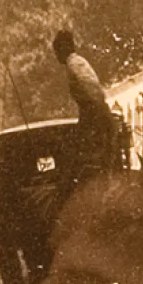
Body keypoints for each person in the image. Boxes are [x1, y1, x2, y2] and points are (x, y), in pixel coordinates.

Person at [52, 29, 113, 175]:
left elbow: (94, 93)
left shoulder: (75, 64)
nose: (56, 56)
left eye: (57, 50)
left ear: (63, 47)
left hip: (95, 118)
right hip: (96, 116)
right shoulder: (78, 62)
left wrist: (89, 121)